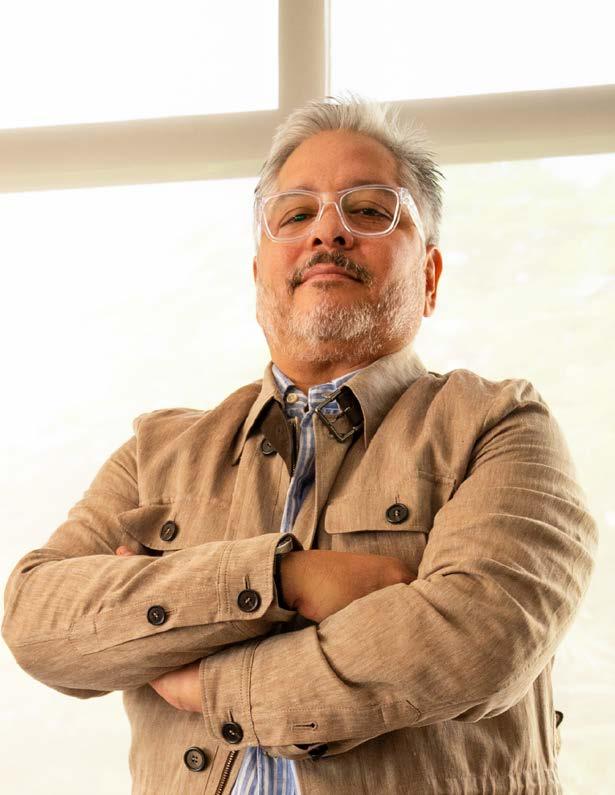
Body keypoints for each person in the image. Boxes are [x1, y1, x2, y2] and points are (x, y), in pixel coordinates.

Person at [2, 95, 598, 795]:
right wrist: (285, 578)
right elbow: (36, 620)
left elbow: (478, 643)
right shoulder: (155, 453)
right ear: (259, 276)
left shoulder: (500, 426)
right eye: (294, 214)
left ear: (429, 277)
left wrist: (211, 684)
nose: (328, 231)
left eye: (369, 210)